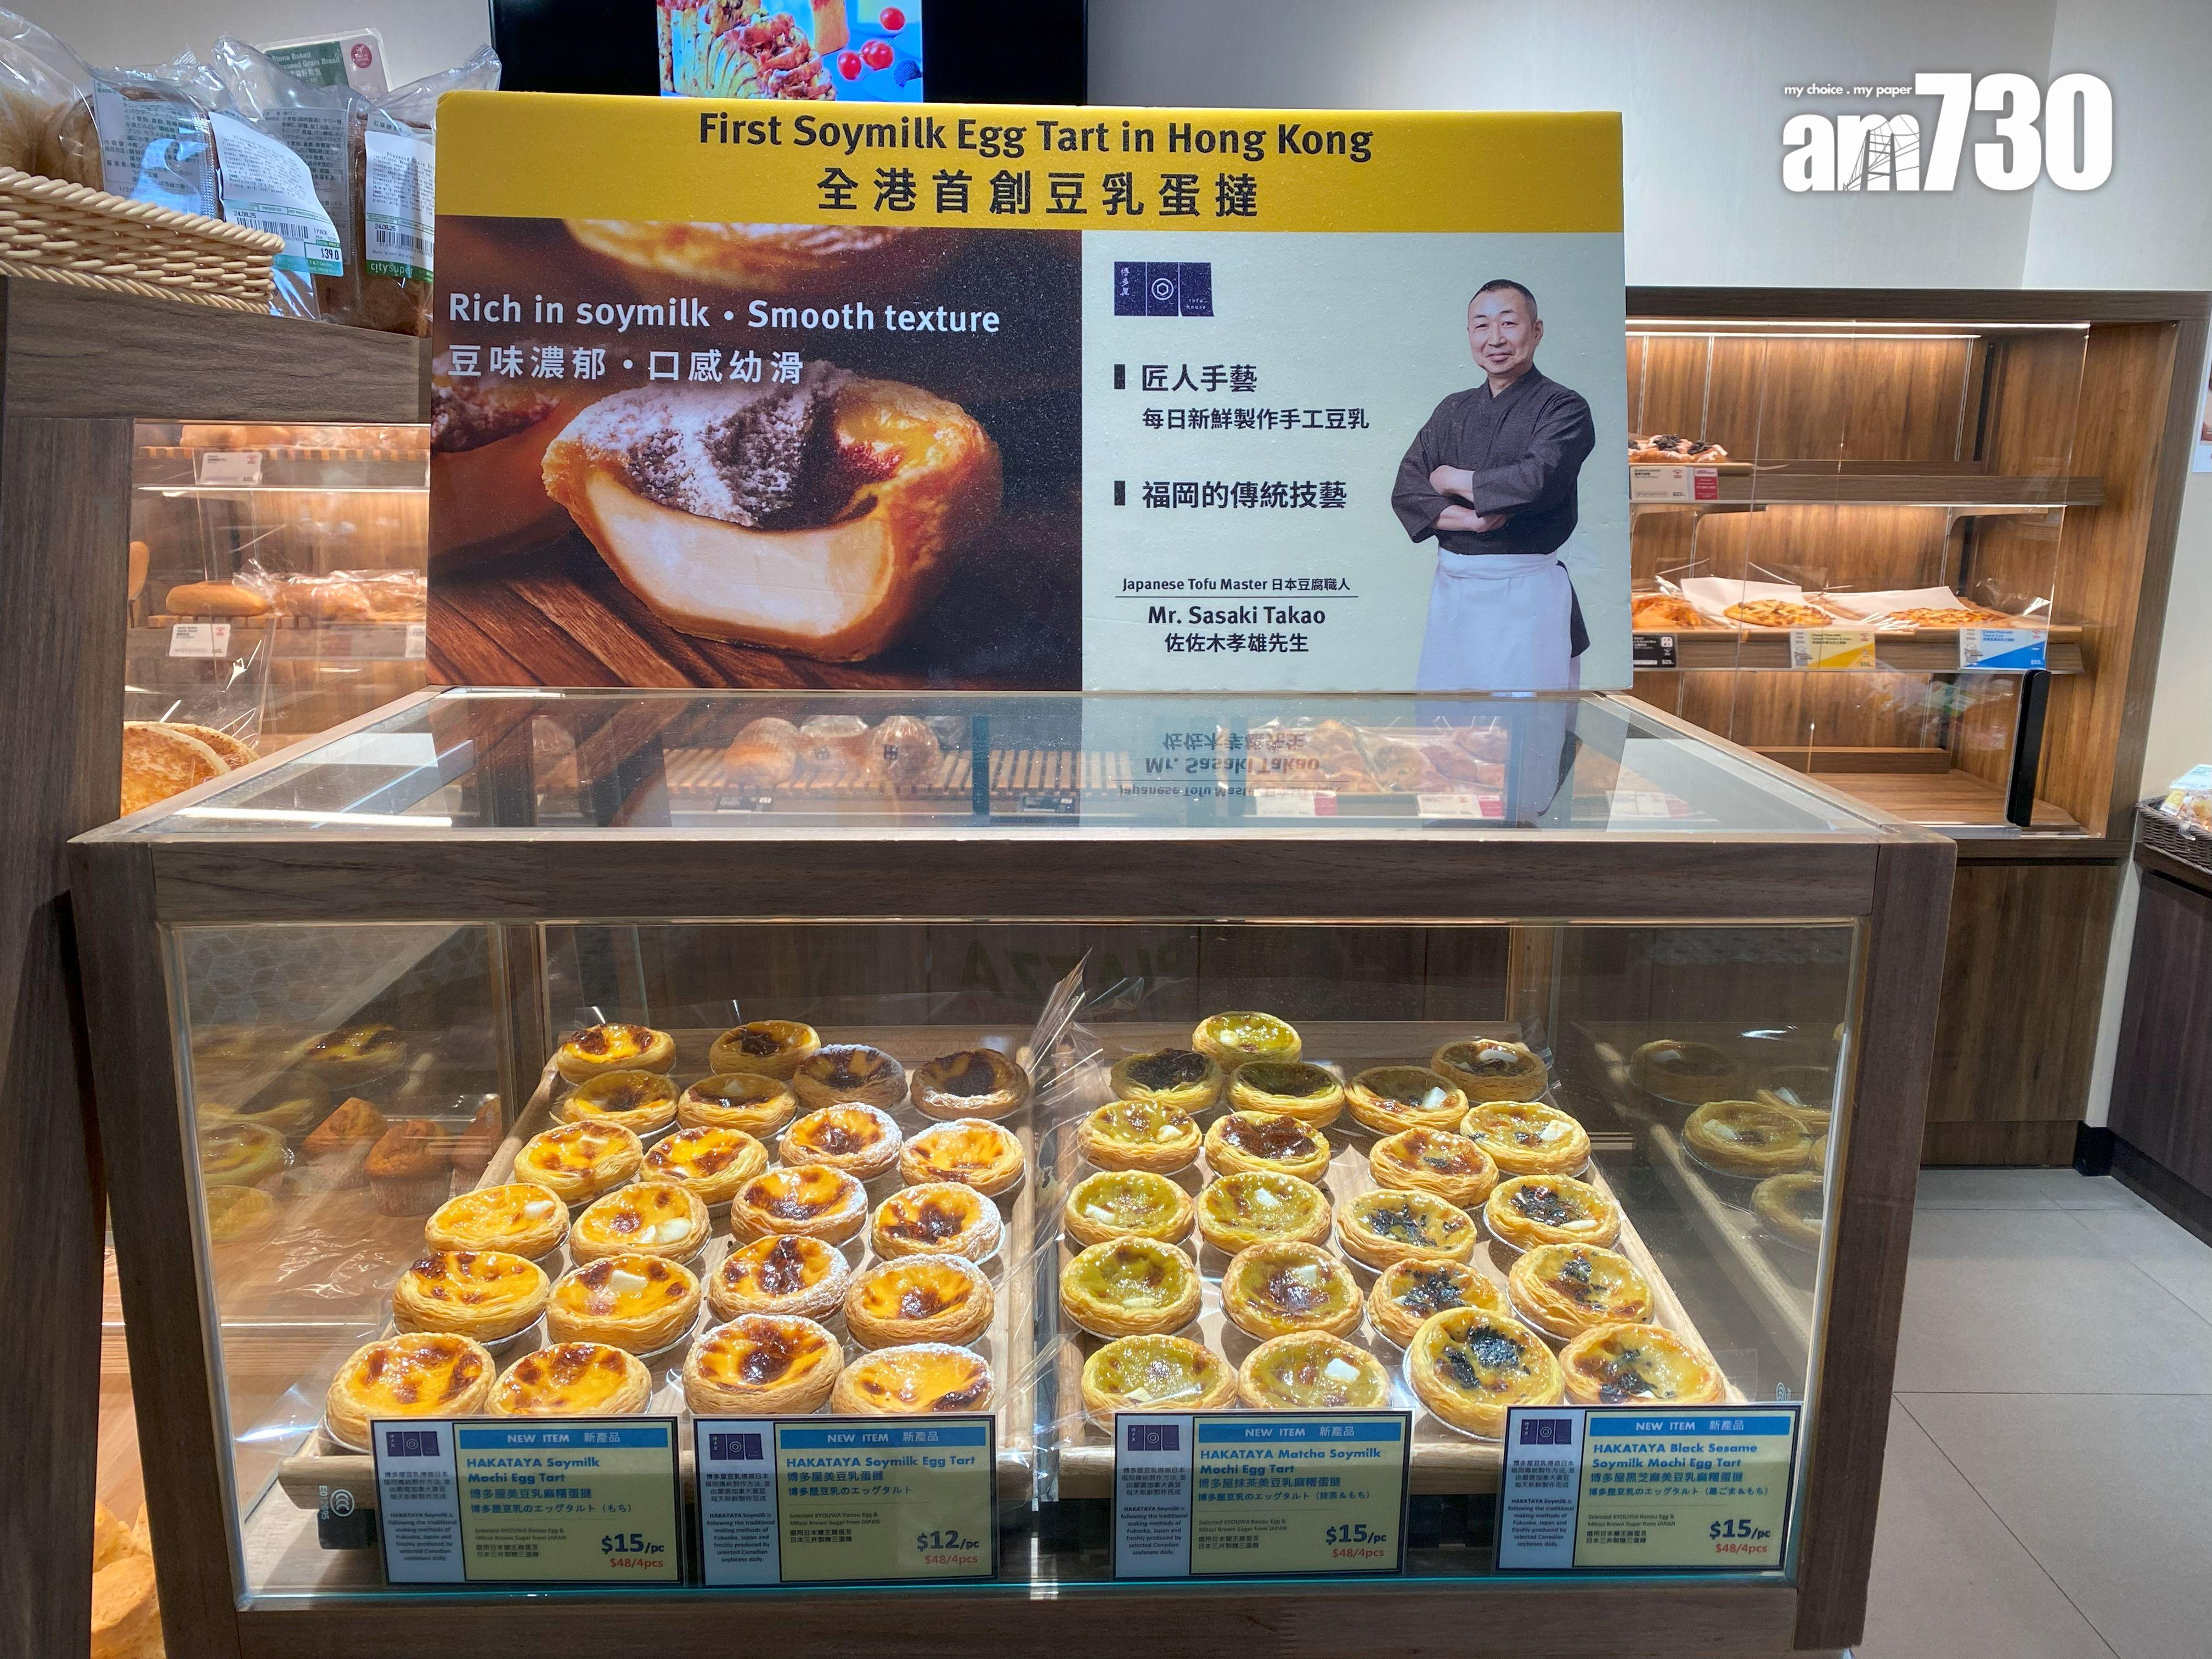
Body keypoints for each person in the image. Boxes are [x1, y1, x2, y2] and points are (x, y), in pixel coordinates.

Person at [1391, 279, 1597, 690]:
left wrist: (1451, 478)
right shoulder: (1453, 409)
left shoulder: (1564, 407)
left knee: (1525, 719)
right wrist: (1473, 521)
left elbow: (1535, 481)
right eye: (1482, 326)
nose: (1496, 338)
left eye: (1509, 323)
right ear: (1470, 334)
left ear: (1536, 331)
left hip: (1527, 594)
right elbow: (1408, 490)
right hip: (1455, 591)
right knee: (1447, 718)